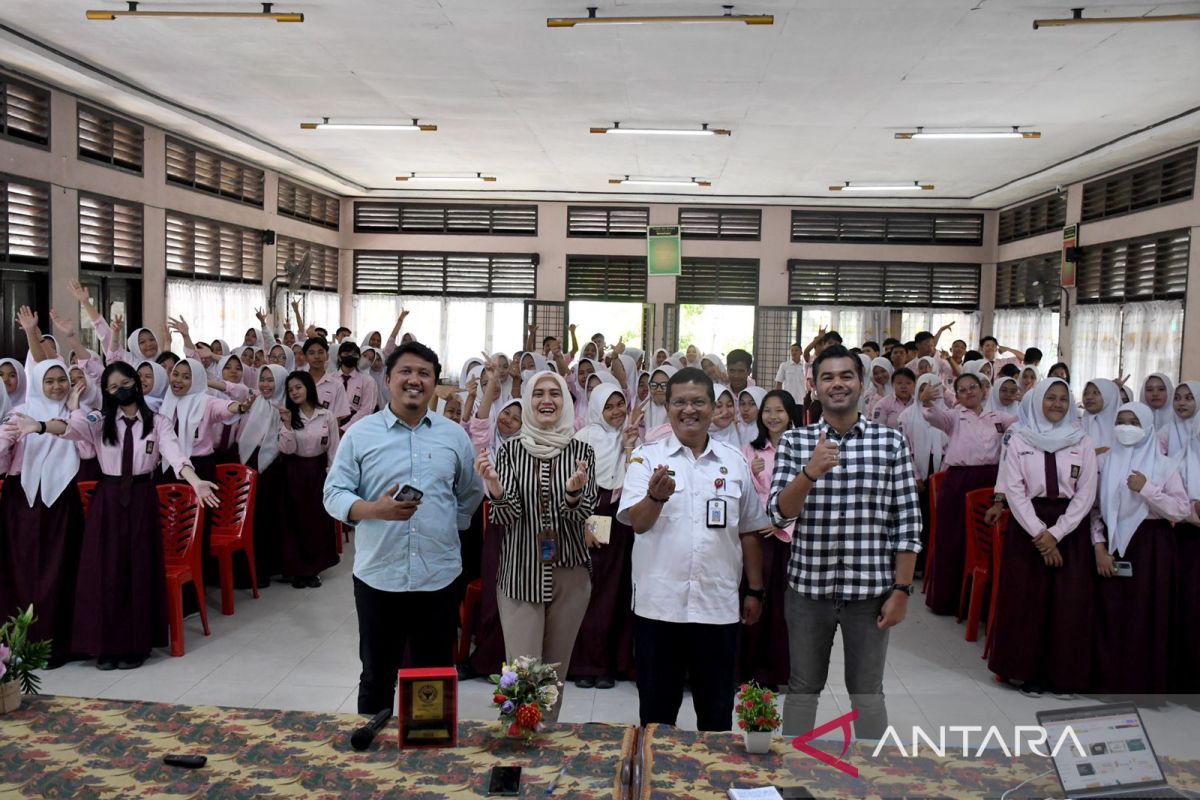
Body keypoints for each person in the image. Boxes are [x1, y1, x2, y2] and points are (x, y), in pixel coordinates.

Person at [19, 362, 218, 670]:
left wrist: (195, 481)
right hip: (107, 500)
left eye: (125, 382)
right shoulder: (101, 420)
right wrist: (41, 426)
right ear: (107, 393)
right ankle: (105, 646)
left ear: (136, 383)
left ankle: (136, 646)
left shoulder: (158, 422)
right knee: (105, 572)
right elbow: (72, 428)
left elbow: (176, 455)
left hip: (141, 498)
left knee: (137, 569)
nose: (120, 390)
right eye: (112, 387)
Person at [769, 345, 922, 739]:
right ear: (815, 387)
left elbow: (907, 522)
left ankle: (870, 783)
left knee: (868, 694)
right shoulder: (795, 443)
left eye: (846, 376)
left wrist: (902, 589)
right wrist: (809, 472)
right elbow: (778, 514)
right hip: (808, 591)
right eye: (828, 377)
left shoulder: (891, 443)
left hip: (870, 593)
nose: (837, 384)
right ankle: (793, 781)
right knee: (802, 690)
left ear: (861, 382)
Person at [323, 342, 484, 715]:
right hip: (379, 577)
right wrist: (374, 510)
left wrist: (447, 528)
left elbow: (470, 492)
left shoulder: (453, 436)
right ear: (389, 380)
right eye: (406, 372)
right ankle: (372, 761)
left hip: (438, 578)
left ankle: (427, 760)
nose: (415, 380)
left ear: (434, 383)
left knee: (432, 676)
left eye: (424, 373)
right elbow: (333, 493)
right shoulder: (361, 435)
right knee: (377, 674)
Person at [617, 367, 769, 731]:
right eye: (680, 402)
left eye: (698, 402)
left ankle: (711, 784)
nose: (690, 410)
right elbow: (637, 522)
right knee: (656, 717)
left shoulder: (734, 461)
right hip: (660, 609)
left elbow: (749, 530)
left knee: (716, 717)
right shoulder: (646, 457)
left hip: (717, 609)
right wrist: (655, 496)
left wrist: (755, 590)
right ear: (667, 407)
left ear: (713, 406)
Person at [476, 370, 598, 722]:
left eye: (555, 394)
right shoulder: (511, 451)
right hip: (520, 572)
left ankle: (545, 739)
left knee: (554, 675)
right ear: (528, 401)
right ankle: (518, 741)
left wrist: (573, 493)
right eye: (538, 394)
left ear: (565, 402)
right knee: (522, 670)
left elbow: (584, 515)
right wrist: (496, 488)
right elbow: (506, 515)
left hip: (570, 574)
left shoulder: (582, 452)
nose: (547, 400)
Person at [986, 379, 1098, 697]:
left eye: (1064, 399)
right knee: (1028, 600)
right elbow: (1015, 489)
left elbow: (1086, 492)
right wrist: (1039, 533)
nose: (1058, 404)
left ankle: (1063, 674)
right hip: (1028, 527)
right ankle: (1027, 672)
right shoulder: (1020, 439)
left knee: (1068, 602)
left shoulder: (1082, 441)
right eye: (1051, 398)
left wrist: (1058, 533)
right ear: (1038, 401)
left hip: (1069, 530)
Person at [1092, 402, 1189, 695]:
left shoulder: (1164, 465)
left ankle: (1142, 682)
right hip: (1113, 544)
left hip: (1152, 546)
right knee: (1110, 612)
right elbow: (1094, 509)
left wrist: (1146, 489)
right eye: (1121, 421)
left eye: (1134, 422)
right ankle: (1107, 680)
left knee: (1145, 614)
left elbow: (1180, 510)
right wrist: (1099, 546)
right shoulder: (1106, 461)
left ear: (1146, 427)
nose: (1125, 427)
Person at [0, 360, 85, 667]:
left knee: (60, 570)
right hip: (21, 501)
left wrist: (75, 409)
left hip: (61, 503)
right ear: (37, 383)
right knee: (20, 571)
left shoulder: (76, 416)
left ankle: (57, 644)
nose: (57, 386)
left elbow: (86, 446)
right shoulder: (19, 414)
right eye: (48, 381)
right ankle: (17, 644)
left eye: (62, 380)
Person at [919, 372, 1017, 615]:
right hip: (959, 481)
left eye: (973, 387)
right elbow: (934, 417)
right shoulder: (954, 417)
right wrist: (928, 402)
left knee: (985, 540)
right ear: (957, 396)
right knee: (953, 538)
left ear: (984, 390)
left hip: (991, 481)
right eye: (962, 390)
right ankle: (948, 600)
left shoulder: (998, 417)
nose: (969, 392)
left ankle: (981, 604)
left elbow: (1020, 428)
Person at [569, 384, 640, 689]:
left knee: (614, 595)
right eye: (609, 406)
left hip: (619, 522)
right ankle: (583, 664)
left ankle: (608, 665)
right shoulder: (583, 438)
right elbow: (569, 484)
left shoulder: (633, 436)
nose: (615, 412)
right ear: (597, 407)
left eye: (619, 405)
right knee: (586, 593)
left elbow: (633, 480)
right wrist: (582, 525)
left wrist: (628, 447)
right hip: (586, 520)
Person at [740, 389, 801, 689]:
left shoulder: (802, 450)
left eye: (779, 410)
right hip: (755, 537)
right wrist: (751, 473)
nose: (773, 416)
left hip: (787, 539)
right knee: (752, 600)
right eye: (768, 411)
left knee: (780, 608)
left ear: (791, 414)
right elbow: (741, 493)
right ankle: (745, 669)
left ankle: (772, 672)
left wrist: (779, 523)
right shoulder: (750, 450)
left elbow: (807, 494)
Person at [279, 371, 340, 588]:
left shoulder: (326, 415)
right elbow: (287, 449)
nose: (294, 392)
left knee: (317, 520)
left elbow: (334, 449)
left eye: (298, 387)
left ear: (308, 388)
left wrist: (332, 475)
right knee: (295, 520)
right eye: (290, 389)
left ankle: (314, 569)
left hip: (318, 471)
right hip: (295, 471)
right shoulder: (288, 415)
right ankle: (297, 570)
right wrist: (287, 424)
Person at [238, 364, 289, 583]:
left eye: (271, 380)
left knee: (267, 518)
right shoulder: (255, 402)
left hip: (274, 467)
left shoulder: (286, 406)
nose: (266, 385)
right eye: (263, 379)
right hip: (250, 462)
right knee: (249, 516)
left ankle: (266, 567)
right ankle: (248, 568)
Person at [302, 337, 351, 422]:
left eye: (320, 352)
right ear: (305, 357)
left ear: (327, 356)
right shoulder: (298, 382)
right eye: (311, 353)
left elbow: (338, 418)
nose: (316, 356)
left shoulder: (337, 386)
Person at [334, 339, 378, 431]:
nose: (350, 357)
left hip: (356, 426)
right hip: (331, 425)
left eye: (354, 355)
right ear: (339, 357)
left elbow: (366, 410)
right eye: (346, 354)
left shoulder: (368, 381)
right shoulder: (330, 379)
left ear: (359, 357)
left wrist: (344, 429)